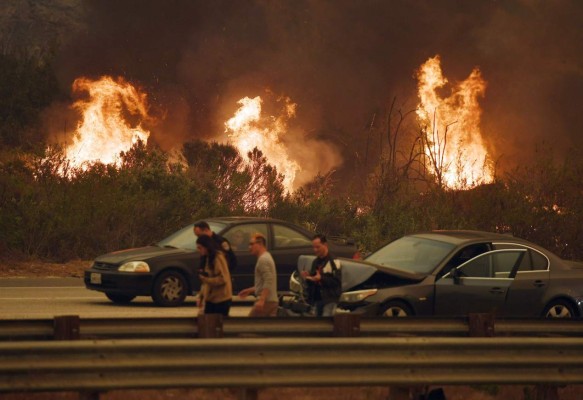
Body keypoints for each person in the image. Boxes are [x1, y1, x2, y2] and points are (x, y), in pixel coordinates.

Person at [238, 233, 279, 317]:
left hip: (267, 302)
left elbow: (268, 280)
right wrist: (249, 290)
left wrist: (261, 300)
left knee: (250, 327)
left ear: (260, 244)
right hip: (271, 301)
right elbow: (265, 282)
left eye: (252, 244)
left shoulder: (263, 260)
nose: (249, 247)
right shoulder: (266, 256)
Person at [301, 234, 342, 317]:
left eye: (318, 247)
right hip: (317, 300)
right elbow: (314, 278)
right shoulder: (315, 262)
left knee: (325, 322)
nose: (315, 250)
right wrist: (308, 277)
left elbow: (337, 282)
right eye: (314, 247)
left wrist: (321, 278)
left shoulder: (333, 261)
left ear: (325, 245)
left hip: (329, 299)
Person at [195, 234, 232, 316]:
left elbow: (222, 279)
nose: (198, 250)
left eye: (200, 247)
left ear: (206, 247)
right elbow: (206, 280)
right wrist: (201, 296)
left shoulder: (217, 257)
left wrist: (206, 280)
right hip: (211, 298)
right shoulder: (208, 258)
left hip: (221, 299)